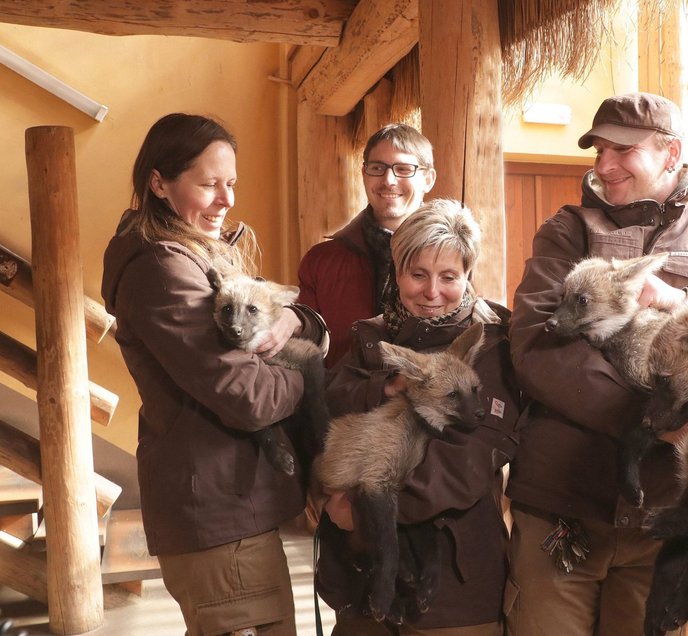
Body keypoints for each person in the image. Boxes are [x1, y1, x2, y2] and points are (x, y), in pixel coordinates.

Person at [503, 92, 688, 635]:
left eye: (623, 150)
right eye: (598, 150)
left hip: (671, 521)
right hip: (565, 504)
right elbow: (537, 347)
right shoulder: (565, 230)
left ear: (672, 153)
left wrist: (680, 301)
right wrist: (662, 424)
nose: (604, 164)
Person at [101, 113, 327, 636]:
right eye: (208, 184)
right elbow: (245, 394)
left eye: (231, 184)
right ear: (159, 183)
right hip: (217, 514)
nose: (226, 199)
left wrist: (299, 321)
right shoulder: (163, 269)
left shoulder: (201, 252)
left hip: (232, 506)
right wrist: (312, 372)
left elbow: (289, 313)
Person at [315, 199, 521, 636]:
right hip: (362, 575)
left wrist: (361, 510)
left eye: (449, 277)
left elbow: (464, 464)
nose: (431, 292)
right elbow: (331, 407)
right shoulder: (374, 338)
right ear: (397, 272)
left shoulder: (493, 347)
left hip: (451, 583)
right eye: (418, 275)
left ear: (468, 276)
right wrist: (384, 388)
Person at [298, 123, 437, 367]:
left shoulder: (455, 255)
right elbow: (305, 356)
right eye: (377, 168)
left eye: (403, 169)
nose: (389, 180)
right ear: (364, 173)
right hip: (342, 401)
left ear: (428, 179)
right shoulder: (321, 261)